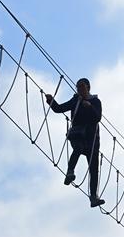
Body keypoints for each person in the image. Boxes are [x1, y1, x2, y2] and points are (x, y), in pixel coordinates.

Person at [45, 78, 105, 208]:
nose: (79, 89)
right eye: (78, 87)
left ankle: (93, 197)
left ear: (88, 87)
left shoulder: (95, 101)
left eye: (82, 86)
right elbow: (59, 108)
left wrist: (89, 107)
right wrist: (51, 101)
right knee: (77, 148)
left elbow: (97, 117)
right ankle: (70, 172)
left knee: (94, 169)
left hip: (92, 138)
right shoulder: (75, 100)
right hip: (78, 133)